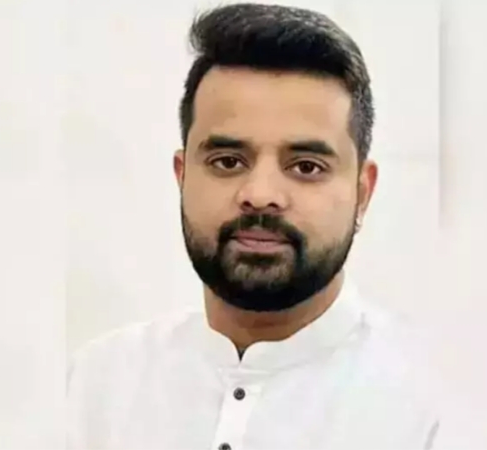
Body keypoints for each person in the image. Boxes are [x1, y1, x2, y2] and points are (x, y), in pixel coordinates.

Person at [66, 3, 441, 449]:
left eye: (306, 166)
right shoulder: (94, 387)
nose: (260, 194)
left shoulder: (434, 405)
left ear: (363, 192)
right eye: (228, 161)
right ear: (182, 176)